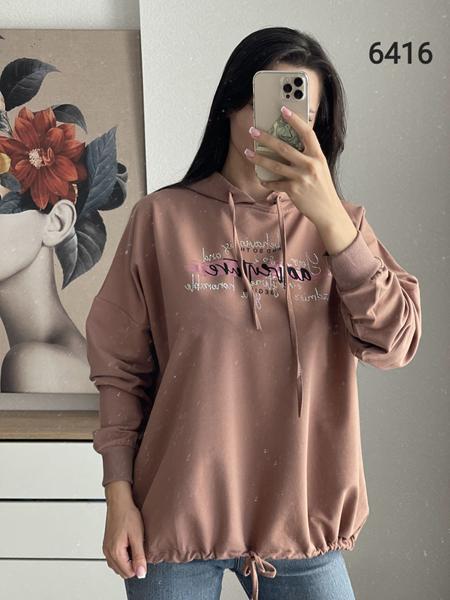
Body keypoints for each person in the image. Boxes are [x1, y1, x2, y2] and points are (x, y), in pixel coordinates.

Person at [85, 26, 422, 600]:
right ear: (231, 105)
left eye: (302, 114)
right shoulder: (161, 220)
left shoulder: (341, 227)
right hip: (175, 522)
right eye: (270, 105)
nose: (284, 126)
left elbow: (395, 342)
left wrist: (330, 219)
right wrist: (118, 496)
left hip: (303, 526)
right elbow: (120, 372)